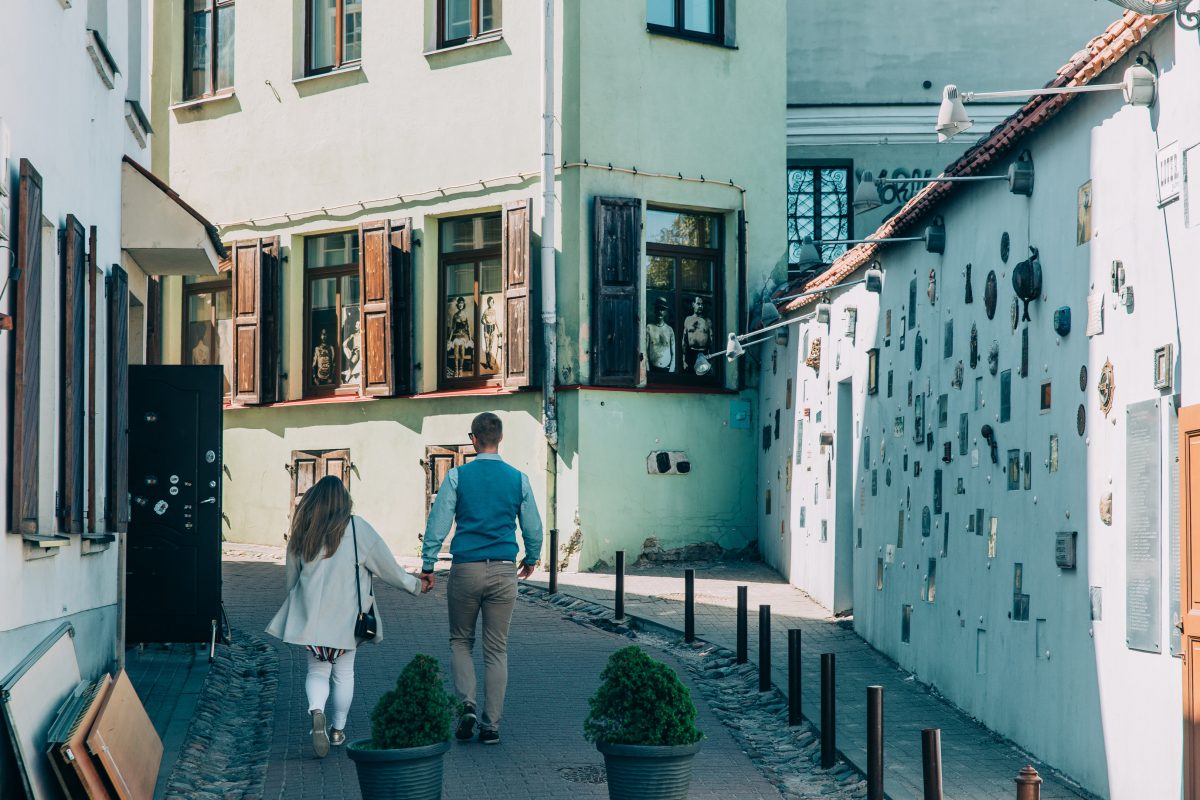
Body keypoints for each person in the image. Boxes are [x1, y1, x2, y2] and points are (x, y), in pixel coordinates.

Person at [266, 475, 421, 758]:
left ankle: (316, 712)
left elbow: (291, 578)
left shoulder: (303, 531)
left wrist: (295, 607)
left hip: (311, 617)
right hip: (348, 619)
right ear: (344, 500)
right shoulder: (357, 528)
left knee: (317, 671)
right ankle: (338, 729)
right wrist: (415, 585)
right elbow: (388, 567)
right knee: (344, 673)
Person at [420, 412, 543, 745]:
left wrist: (428, 564)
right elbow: (533, 526)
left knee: (460, 640)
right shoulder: (518, 479)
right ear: (500, 439)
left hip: (466, 569)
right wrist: (531, 558)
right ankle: (491, 726)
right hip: (504, 570)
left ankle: (468, 705)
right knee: (496, 649)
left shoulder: (458, 476)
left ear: (473, 439)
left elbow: (438, 522)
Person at [682, 295, 713, 373]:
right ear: (693, 304)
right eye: (698, 304)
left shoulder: (707, 321)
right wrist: (683, 359)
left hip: (704, 354)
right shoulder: (688, 319)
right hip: (690, 354)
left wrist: (711, 360)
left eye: (702, 304)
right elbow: (684, 340)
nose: (700, 306)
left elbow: (711, 341)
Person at [645, 296, 676, 373]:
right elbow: (644, 351)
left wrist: (671, 370)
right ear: (655, 310)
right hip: (652, 370)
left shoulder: (669, 330)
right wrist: (647, 369)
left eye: (662, 309)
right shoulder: (649, 328)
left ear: (665, 312)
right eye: (658, 308)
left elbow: (674, 353)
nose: (660, 311)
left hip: (667, 370)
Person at [447, 296, 474, 377]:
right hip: (456, 335)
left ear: (463, 304)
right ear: (457, 305)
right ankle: (456, 369)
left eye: (461, 303)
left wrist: (469, 339)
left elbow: (468, 327)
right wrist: (449, 339)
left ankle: (461, 369)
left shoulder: (466, 314)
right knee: (456, 348)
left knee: (462, 348)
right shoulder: (455, 315)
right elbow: (452, 328)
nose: (460, 305)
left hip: (464, 335)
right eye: (459, 303)